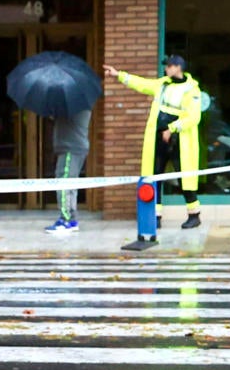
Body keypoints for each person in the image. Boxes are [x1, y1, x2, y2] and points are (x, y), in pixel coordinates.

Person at [103, 53, 204, 250]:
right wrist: (119, 75)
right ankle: (154, 217)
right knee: (154, 176)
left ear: (178, 68)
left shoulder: (192, 90)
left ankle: (194, 215)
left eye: (169, 66)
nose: (166, 69)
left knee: (185, 178)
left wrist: (173, 128)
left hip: (178, 139)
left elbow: (194, 116)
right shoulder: (163, 84)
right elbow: (142, 84)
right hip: (158, 137)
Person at [44, 107, 92, 233]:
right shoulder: (77, 104)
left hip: (70, 148)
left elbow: (55, 114)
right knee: (70, 184)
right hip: (73, 147)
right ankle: (71, 220)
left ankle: (65, 219)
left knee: (64, 183)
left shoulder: (72, 106)